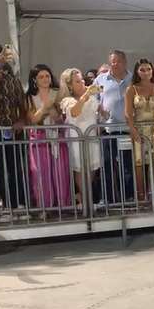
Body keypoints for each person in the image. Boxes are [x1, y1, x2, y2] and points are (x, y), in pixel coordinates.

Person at [26, 64, 72, 210]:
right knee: (41, 174)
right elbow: (32, 120)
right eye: (41, 76)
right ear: (35, 80)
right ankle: (45, 207)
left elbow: (62, 118)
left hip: (57, 136)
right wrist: (44, 107)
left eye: (47, 76)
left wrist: (53, 111)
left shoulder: (58, 93)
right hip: (39, 138)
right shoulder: (29, 97)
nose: (45, 79)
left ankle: (63, 206)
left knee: (60, 172)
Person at [0, 43, 28, 212]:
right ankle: (6, 205)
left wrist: (21, 120)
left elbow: (23, 105)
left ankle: (18, 204)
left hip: (12, 131)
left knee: (15, 169)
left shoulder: (12, 80)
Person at [59, 68, 103, 210]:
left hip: (91, 138)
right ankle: (85, 201)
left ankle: (87, 199)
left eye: (82, 80)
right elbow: (75, 112)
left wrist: (102, 107)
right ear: (70, 85)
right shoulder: (67, 100)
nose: (82, 82)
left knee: (91, 170)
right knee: (80, 170)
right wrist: (85, 96)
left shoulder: (91, 98)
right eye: (78, 81)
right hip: (77, 139)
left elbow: (102, 113)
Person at [93, 50, 134, 203]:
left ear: (125, 63)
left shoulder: (133, 79)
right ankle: (109, 198)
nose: (114, 64)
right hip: (108, 130)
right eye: (112, 61)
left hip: (127, 130)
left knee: (127, 167)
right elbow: (93, 99)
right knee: (107, 166)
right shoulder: (100, 80)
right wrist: (99, 109)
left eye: (118, 61)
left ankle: (129, 197)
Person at [124, 59, 154, 203]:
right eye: (142, 70)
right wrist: (132, 129)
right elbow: (128, 113)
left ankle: (152, 193)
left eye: (148, 69)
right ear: (137, 72)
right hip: (138, 128)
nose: (146, 72)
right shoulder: (131, 89)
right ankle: (140, 195)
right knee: (138, 162)